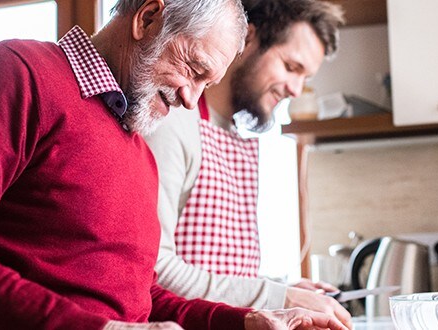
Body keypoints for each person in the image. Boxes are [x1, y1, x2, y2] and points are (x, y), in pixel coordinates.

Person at [0, 0, 348, 329]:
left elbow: (138, 299)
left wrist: (241, 321)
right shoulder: (18, 72)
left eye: (208, 83)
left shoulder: (139, 146)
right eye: (192, 69)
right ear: (147, 16)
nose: (190, 99)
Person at [144, 0, 350, 326]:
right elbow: (155, 270)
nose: (296, 90)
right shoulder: (174, 123)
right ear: (248, 39)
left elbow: (219, 270)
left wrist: (283, 287)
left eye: (305, 77)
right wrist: (279, 296)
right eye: (290, 67)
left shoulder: (230, 133)